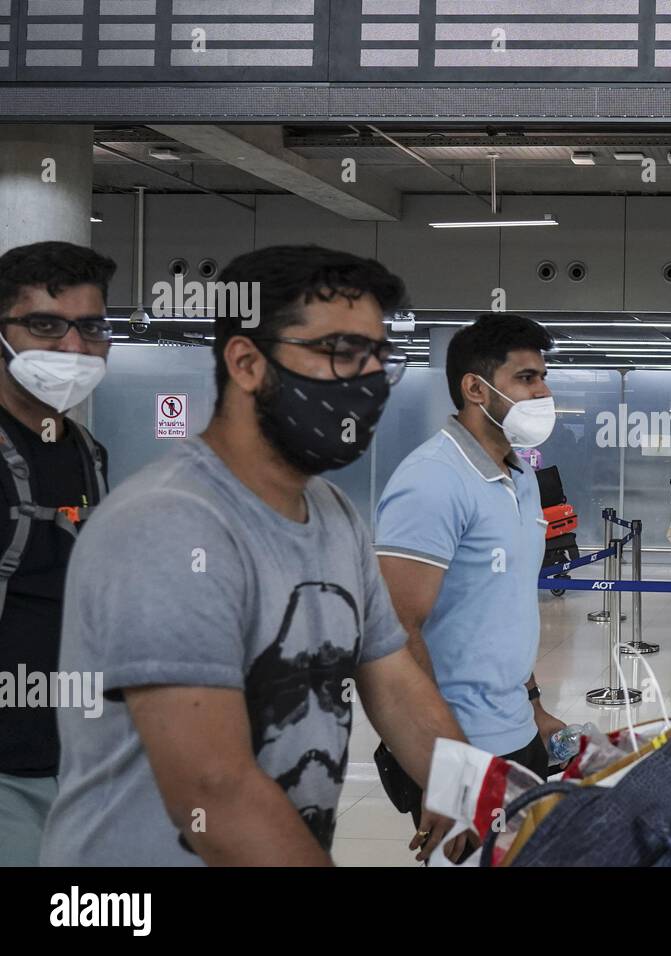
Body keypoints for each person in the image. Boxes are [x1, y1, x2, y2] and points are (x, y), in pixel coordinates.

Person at [42, 245, 468, 866]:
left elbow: (393, 676)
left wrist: (468, 790)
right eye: (341, 353)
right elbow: (215, 792)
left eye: (379, 357)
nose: (369, 380)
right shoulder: (167, 524)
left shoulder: (333, 514)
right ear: (245, 362)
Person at [374, 314, 568, 784]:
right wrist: (442, 759)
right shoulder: (432, 480)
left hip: (516, 729)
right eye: (525, 378)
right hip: (459, 743)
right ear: (476, 389)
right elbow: (394, 630)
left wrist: (535, 707)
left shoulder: (520, 477)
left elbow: (504, 611)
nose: (542, 392)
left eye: (543, 377)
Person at [0, 242, 115, 867]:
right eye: (45, 326)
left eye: (91, 327)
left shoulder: (86, 452)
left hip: (75, 763)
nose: (73, 348)